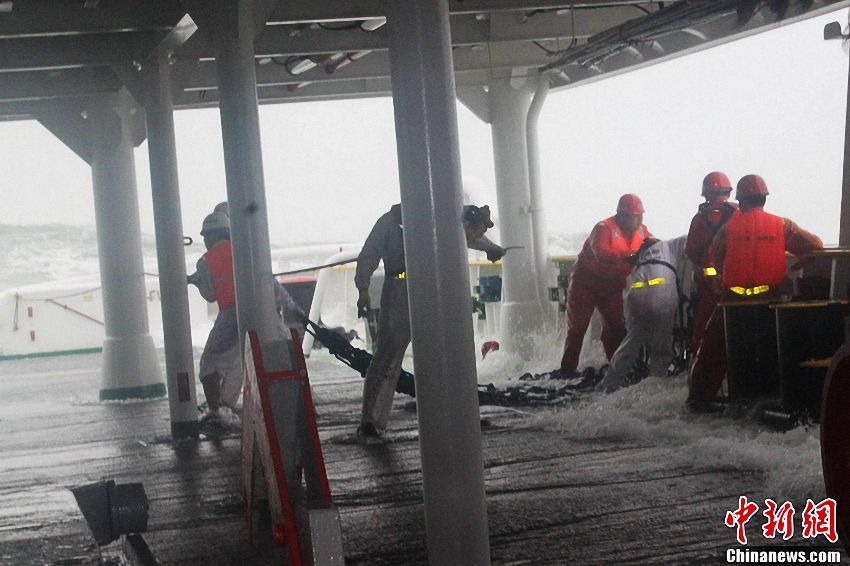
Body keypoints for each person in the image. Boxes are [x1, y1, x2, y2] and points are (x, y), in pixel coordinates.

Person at [354, 203, 505, 439]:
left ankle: (457, 413)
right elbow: (369, 255)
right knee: (387, 356)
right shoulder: (395, 222)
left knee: (443, 354)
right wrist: (362, 287)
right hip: (401, 288)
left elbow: (467, 236)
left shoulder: (437, 217)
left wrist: (492, 248)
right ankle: (370, 420)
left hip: (427, 287)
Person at [686, 175, 823, 411]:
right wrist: (799, 264)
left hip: (733, 301)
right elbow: (815, 245)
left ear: (741, 200)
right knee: (778, 347)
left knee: (712, 349)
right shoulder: (782, 225)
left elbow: (716, 264)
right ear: (764, 199)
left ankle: (699, 400)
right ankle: (779, 396)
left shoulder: (726, 230)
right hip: (769, 300)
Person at [188, 211, 305, 417]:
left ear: (211, 236)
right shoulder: (245, 251)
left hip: (231, 315)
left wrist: (196, 282)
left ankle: (215, 411)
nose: (204, 241)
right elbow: (270, 282)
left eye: (205, 236)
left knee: (209, 363)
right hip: (263, 311)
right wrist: (290, 306)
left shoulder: (205, 261)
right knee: (252, 358)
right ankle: (229, 403)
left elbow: (210, 295)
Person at [559, 194, 653, 377]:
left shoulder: (643, 232)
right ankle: (567, 371)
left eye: (641, 215)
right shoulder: (603, 229)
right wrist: (631, 256)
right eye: (636, 215)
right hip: (584, 283)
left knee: (616, 328)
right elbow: (602, 253)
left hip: (611, 286)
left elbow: (654, 245)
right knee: (577, 327)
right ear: (622, 216)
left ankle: (618, 369)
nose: (640, 219)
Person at [598, 235, 687, 393]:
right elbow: (693, 238)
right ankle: (655, 386)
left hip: (637, 296)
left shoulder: (640, 258)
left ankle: (610, 384)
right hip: (662, 293)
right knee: (661, 346)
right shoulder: (668, 245)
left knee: (630, 342)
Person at [685, 172, 738, 356]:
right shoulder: (738, 215)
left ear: (706, 195)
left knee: (704, 324)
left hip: (708, 283)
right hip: (733, 280)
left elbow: (691, 252)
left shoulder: (699, 220)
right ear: (729, 193)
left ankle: (698, 359)